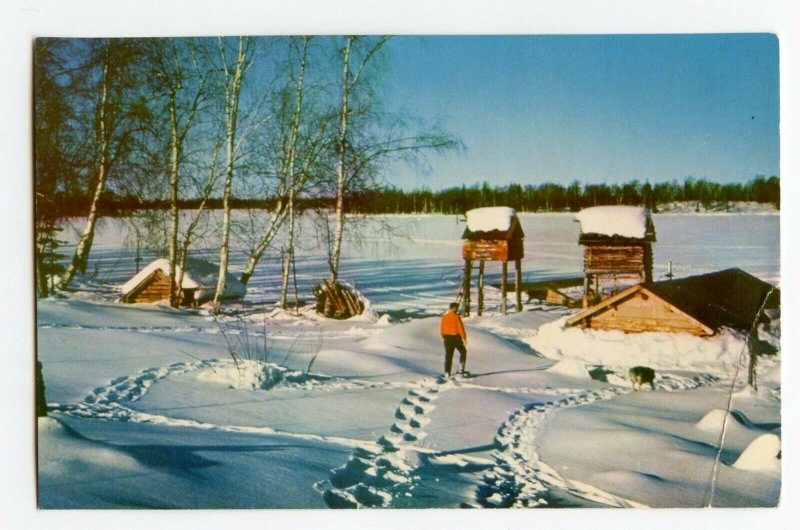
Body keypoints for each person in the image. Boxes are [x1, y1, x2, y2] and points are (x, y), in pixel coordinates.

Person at [440, 302, 467, 377]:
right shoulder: (456, 317)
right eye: (456, 308)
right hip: (455, 338)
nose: (457, 309)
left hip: (447, 338)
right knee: (463, 352)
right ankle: (461, 369)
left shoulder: (444, 317)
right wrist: (464, 338)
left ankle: (447, 372)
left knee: (448, 356)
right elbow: (461, 328)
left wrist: (444, 336)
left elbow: (441, 329)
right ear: (454, 308)